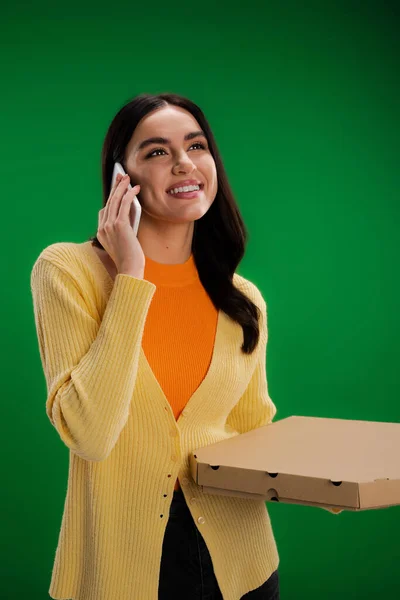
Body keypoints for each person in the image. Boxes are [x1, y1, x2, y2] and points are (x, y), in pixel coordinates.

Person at [30, 93, 281, 600]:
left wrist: (324, 481)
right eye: (158, 152)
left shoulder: (242, 300)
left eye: (196, 145)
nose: (185, 162)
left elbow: (254, 432)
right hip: (123, 569)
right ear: (123, 178)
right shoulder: (67, 271)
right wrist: (130, 276)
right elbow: (91, 435)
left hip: (243, 562)